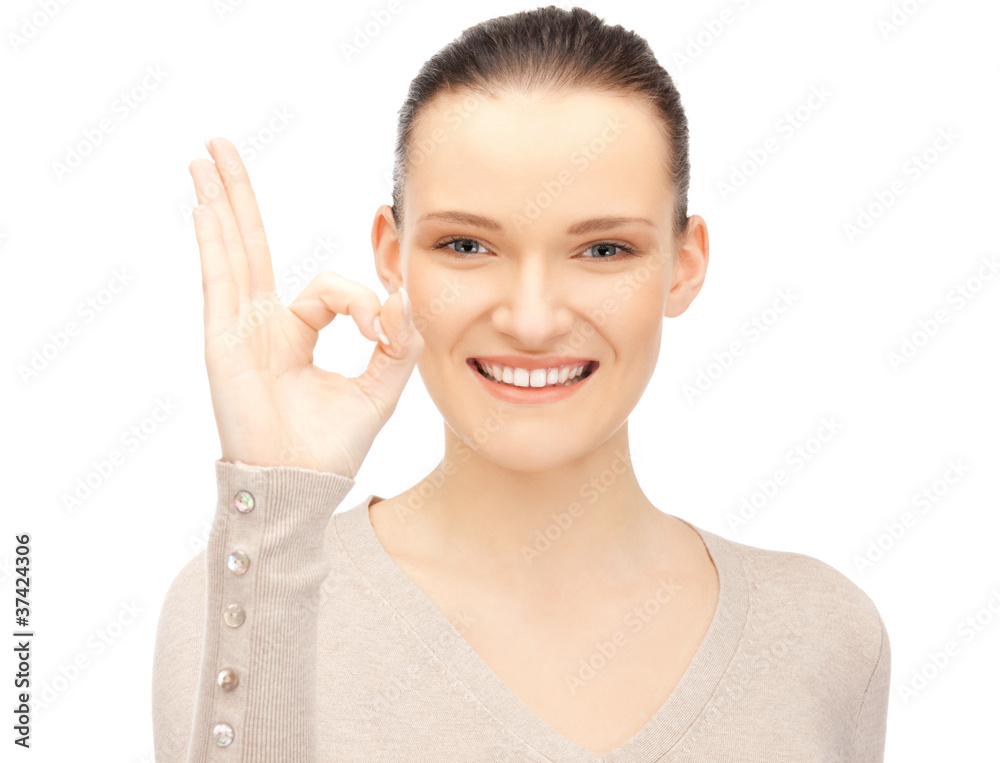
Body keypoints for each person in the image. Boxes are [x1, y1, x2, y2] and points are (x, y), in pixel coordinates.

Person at [152, 6, 890, 761]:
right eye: (467, 244)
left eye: (603, 249)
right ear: (392, 255)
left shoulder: (821, 636)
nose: (532, 320)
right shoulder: (242, 595)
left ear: (685, 263)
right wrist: (278, 510)